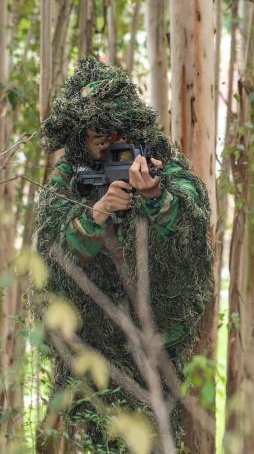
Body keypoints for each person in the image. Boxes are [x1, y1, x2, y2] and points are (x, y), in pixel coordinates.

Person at [35, 57, 212, 448]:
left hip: (150, 358)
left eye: (113, 126)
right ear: (78, 132)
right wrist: (97, 213)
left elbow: (193, 229)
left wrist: (154, 196)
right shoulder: (66, 179)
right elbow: (52, 258)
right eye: (94, 127)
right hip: (85, 354)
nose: (105, 136)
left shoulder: (162, 166)